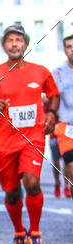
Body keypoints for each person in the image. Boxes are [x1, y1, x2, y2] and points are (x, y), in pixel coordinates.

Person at [0, 22, 59, 244]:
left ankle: (35, 232)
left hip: (32, 138)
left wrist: (51, 114)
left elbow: (53, 95)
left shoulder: (40, 71)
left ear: (26, 44)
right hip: (5, 143)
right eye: (10, 40)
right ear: (4, 45)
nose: (15, 44)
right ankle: (19, 232)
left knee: (32, 183)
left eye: (19, 40)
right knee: (11, 194)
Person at [52, 31, 73, 197]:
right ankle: (63, 184)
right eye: (69, 47)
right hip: (66, 125)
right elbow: (53, 97)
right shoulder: (58, 72)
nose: (72, 50)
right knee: (70, 165)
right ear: (64, 50)